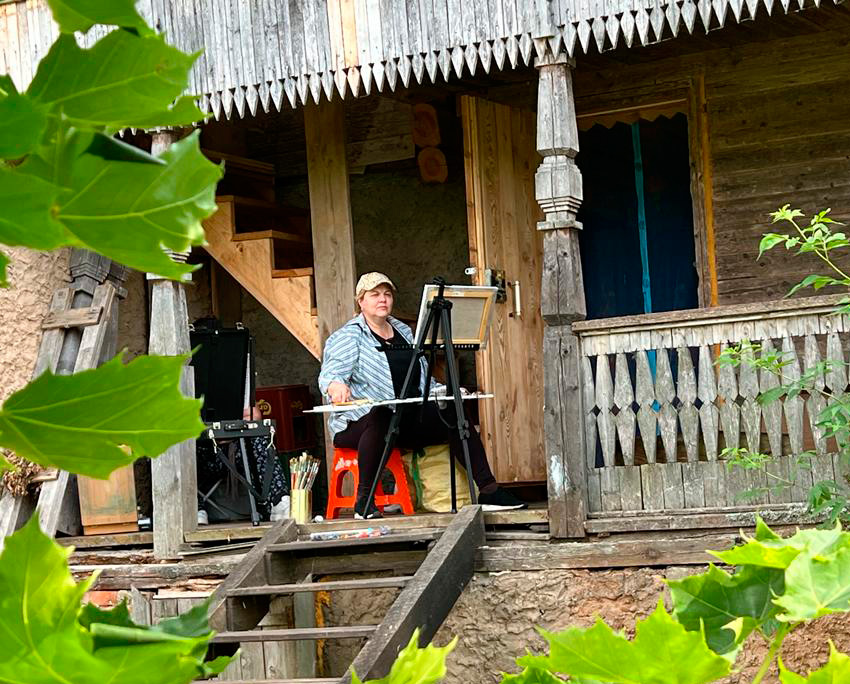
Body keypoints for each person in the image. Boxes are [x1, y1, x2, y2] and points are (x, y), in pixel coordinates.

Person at [318, 271, 526, 519]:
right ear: (361, 301)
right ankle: (364, 501)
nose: (382, 299)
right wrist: (335, 386)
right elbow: (330, 374)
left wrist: (447, 393)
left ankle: (489, 489)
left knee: (453, 411)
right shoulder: (349, 336)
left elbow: (424, 378)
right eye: (374, 294)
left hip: (405, 420)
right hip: (358, 424)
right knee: (381, 415)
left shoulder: (404, 331)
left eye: (387, 294)